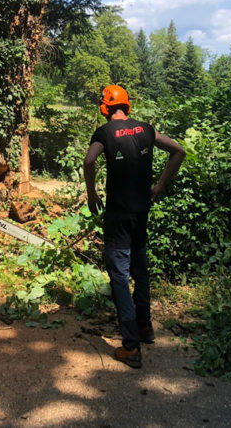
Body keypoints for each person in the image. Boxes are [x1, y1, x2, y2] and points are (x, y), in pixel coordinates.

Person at [83, 85, 185, 369]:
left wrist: (92, 194)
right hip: (142, 212)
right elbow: (178, 151)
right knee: (140, 270)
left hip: (117, 216)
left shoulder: (105, 133)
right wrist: (160, 185)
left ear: (104, 108)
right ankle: (145, 328)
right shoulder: (146, 130)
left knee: (119, 273)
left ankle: (131, 347)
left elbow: (89, 160)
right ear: (127, 106)